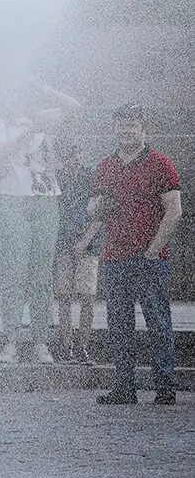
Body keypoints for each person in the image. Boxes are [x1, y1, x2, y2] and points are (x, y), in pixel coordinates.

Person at [90, 104, 182, 405]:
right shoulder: (105, 165)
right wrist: (99, 207)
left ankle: (165, 386)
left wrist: (154, 249)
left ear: (145, 129)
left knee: (158, 322)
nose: (126, 130)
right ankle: (124, 387)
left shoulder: (160, 163)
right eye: (121, 125)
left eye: (132, 125)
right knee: (119, 325)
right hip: (116, 256)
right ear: (114, 129)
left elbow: (174, 210)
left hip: (150, 258)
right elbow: (92, 208)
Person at [0, 81, 81, 364]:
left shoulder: (45, 115)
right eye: (10, 90)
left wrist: (46, 91)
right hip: (11, 198)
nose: (14, 96)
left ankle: (41, 341)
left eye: (19, 91)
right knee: (13, 274)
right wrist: (30, 130)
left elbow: (77, 110)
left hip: (46, 199)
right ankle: (11, 340)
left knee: (42, 276)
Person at [54, 140, 102, 363]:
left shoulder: (93, 178)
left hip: (89, 244)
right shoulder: (56, 178)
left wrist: (86, 239)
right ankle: (66, 345)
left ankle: (83, 345)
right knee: (63, 295)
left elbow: (100, 213)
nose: (73, 159)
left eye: (77, 153)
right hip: (62, 243)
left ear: (83, 154)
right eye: (68, 155)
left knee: (88, 296)